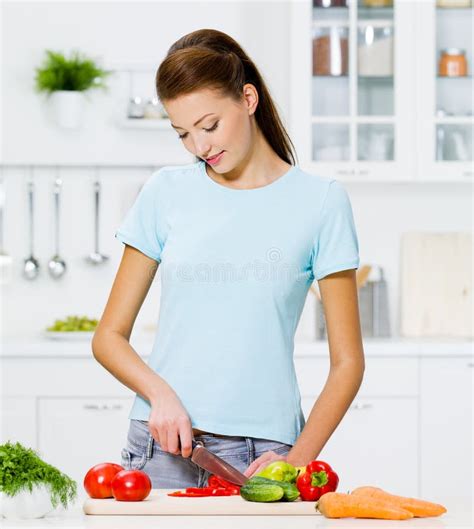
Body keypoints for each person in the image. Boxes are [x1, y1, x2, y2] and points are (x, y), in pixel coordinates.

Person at [92, 28, 365, 489]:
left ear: (248, 98)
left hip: (264, 456)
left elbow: (348, 363)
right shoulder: (165, 192)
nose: (200, 147)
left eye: (210, 126)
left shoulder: (321, 202)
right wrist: (160, 395)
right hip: (162, 443)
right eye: (183, 133)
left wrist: (297, 460)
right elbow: (108, 338)